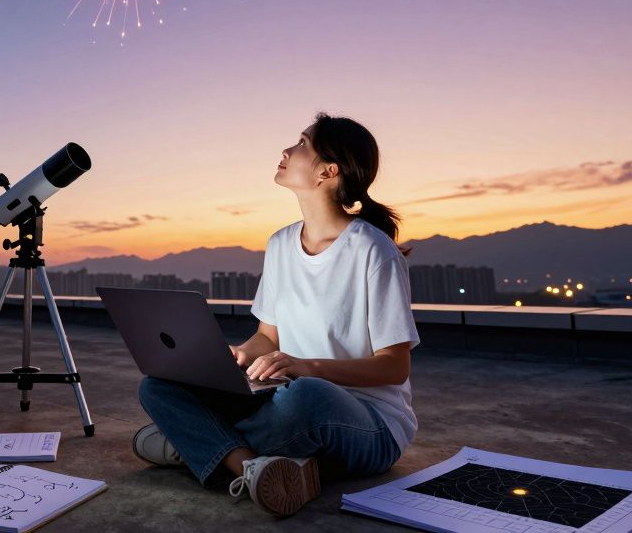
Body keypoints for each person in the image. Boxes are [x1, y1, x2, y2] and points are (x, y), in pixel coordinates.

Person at [132, 112, 420, 517]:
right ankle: (251, 467)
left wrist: (305, 366)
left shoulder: (374, 250)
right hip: (283, 399)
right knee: (158, 386)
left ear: (328, 171)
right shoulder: (281, 244)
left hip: (368, 425)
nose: (286, 150)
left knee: (308, 395)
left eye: (302, 144)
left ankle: (196, 444)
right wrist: (237, 355)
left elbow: (394, 366)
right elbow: (268, 336)